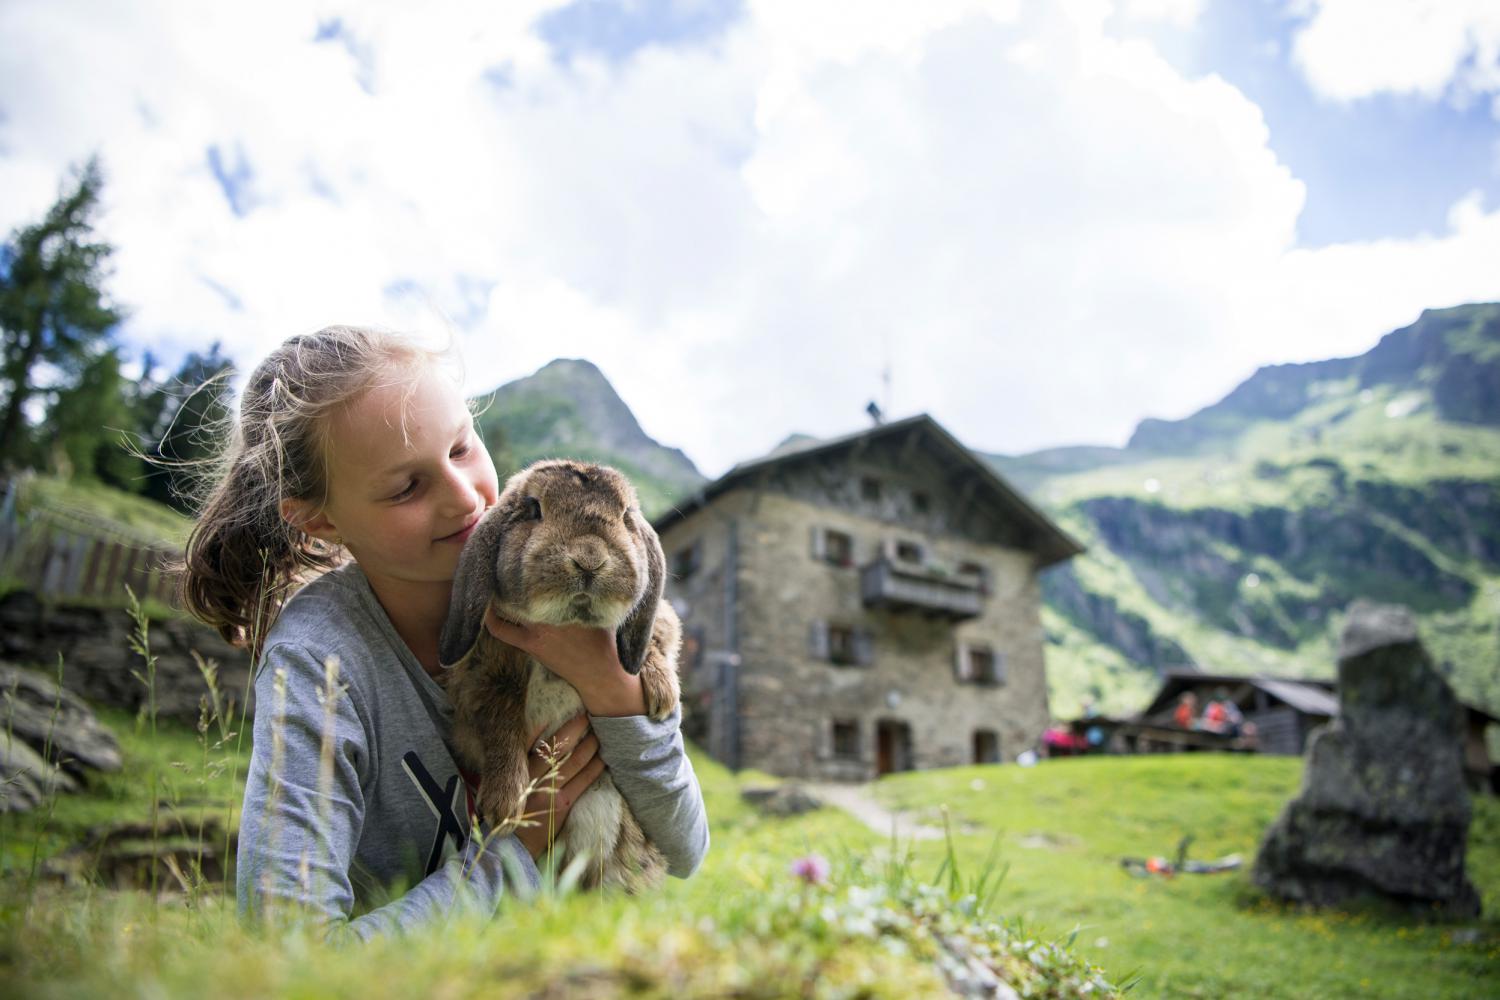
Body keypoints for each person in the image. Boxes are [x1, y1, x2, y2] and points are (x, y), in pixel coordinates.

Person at [180, 325, 708, 939]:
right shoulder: (321, 658)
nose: (464, 500)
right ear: (320, 519)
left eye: (461, 448)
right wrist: (519, 845)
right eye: (406, 487)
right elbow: (289, 951)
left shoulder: (565, 606)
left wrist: (616, 698)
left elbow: (687, 848)